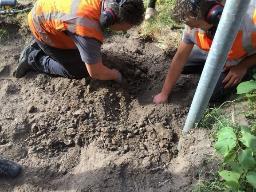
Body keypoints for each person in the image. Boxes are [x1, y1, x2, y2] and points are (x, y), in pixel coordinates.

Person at [14, 0, 144, 83]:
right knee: (79, 70)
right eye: (127, 27)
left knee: (85, 51)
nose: (124, 31)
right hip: (41, 24)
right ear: (112, 18)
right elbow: (96, 73)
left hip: (49, 9)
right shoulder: (89, 27)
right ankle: (33, 58)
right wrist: (115, 75)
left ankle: (46, 43)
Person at [153, 0, 256, 104]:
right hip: (214, 54)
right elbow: (180, 58)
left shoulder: (252, 22)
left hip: (238, 61)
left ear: (214, 14)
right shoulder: (192, 24)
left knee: (208, 96)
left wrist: (243, 66)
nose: (191, 29)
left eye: (196, 25)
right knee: (184, 64)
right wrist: (164, 94)